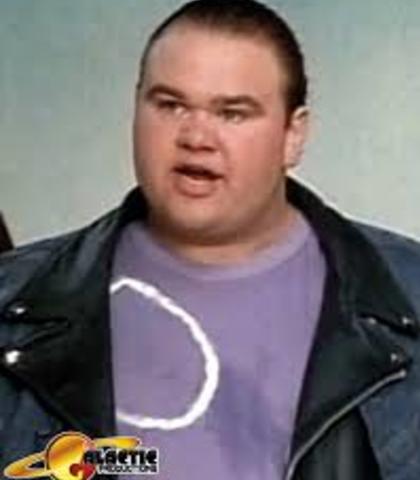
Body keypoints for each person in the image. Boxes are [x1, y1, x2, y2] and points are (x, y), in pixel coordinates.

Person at [1, 1, 420, 479]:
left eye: (233, 113)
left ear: (293, 134)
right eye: (170, 105)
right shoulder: (14, 301)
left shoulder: (407, 295)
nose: (196, 136)